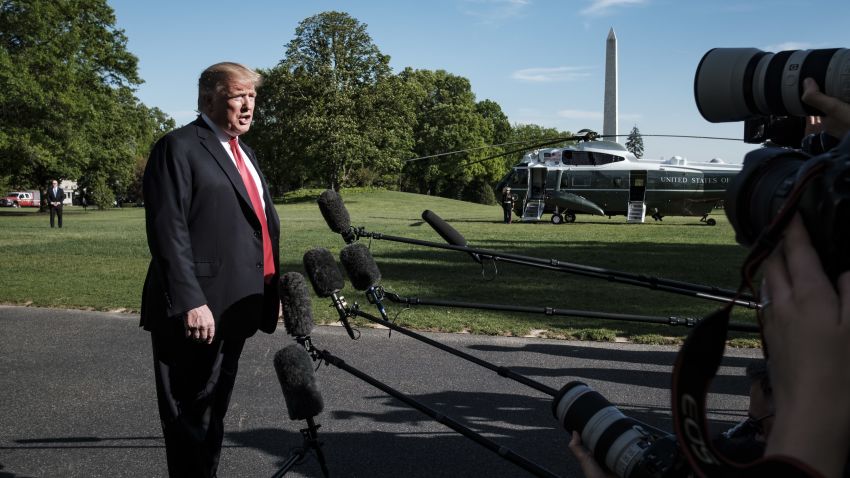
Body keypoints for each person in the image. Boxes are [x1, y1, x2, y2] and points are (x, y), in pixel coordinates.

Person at [140, 62, 281, 477]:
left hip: (236, 308)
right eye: (238, 95)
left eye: (253, 96)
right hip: (195, 314)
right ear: (208, 99)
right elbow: (169, 232)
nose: (248, 105)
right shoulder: (178, 147)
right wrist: (190, 301)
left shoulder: (245, 153)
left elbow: (258, 228)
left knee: (213, 416)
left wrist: (269, 293)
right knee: (188, 421)